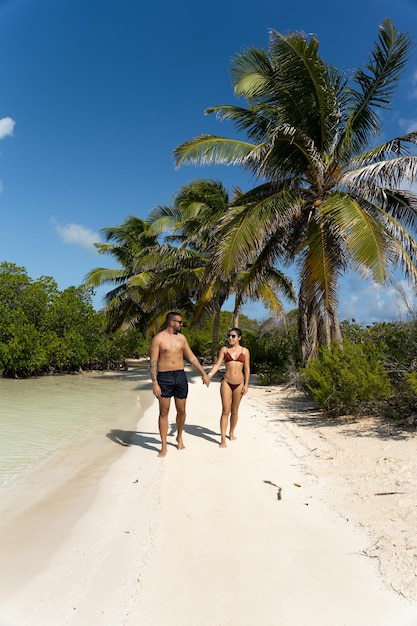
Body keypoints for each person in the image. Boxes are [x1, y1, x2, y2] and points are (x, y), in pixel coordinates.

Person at [149, 311, 210, 457]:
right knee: (164, 412)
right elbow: (153, 363)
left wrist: (203, 373)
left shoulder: (182, 338)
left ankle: (179, 436)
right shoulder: (158, 339)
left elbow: (192, 358)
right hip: (164, 377)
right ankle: (164, 445)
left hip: (180, 376)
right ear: (172, 322)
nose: (181, 325)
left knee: (181, 410)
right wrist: (155, 383)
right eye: (180, 322)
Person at [207, 328, 250, 447]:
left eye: (233, 336)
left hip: (240, 383)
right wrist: (209, 375)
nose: (230, 338)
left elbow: (247, 368)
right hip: (226, 382)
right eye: (229, 336)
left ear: (239, 338)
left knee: (235, 410)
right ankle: (222, 439)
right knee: (226, 410)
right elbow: (217, 364)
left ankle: (231, 432)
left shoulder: (245, 351)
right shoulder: (224, 350)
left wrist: (246, 384)